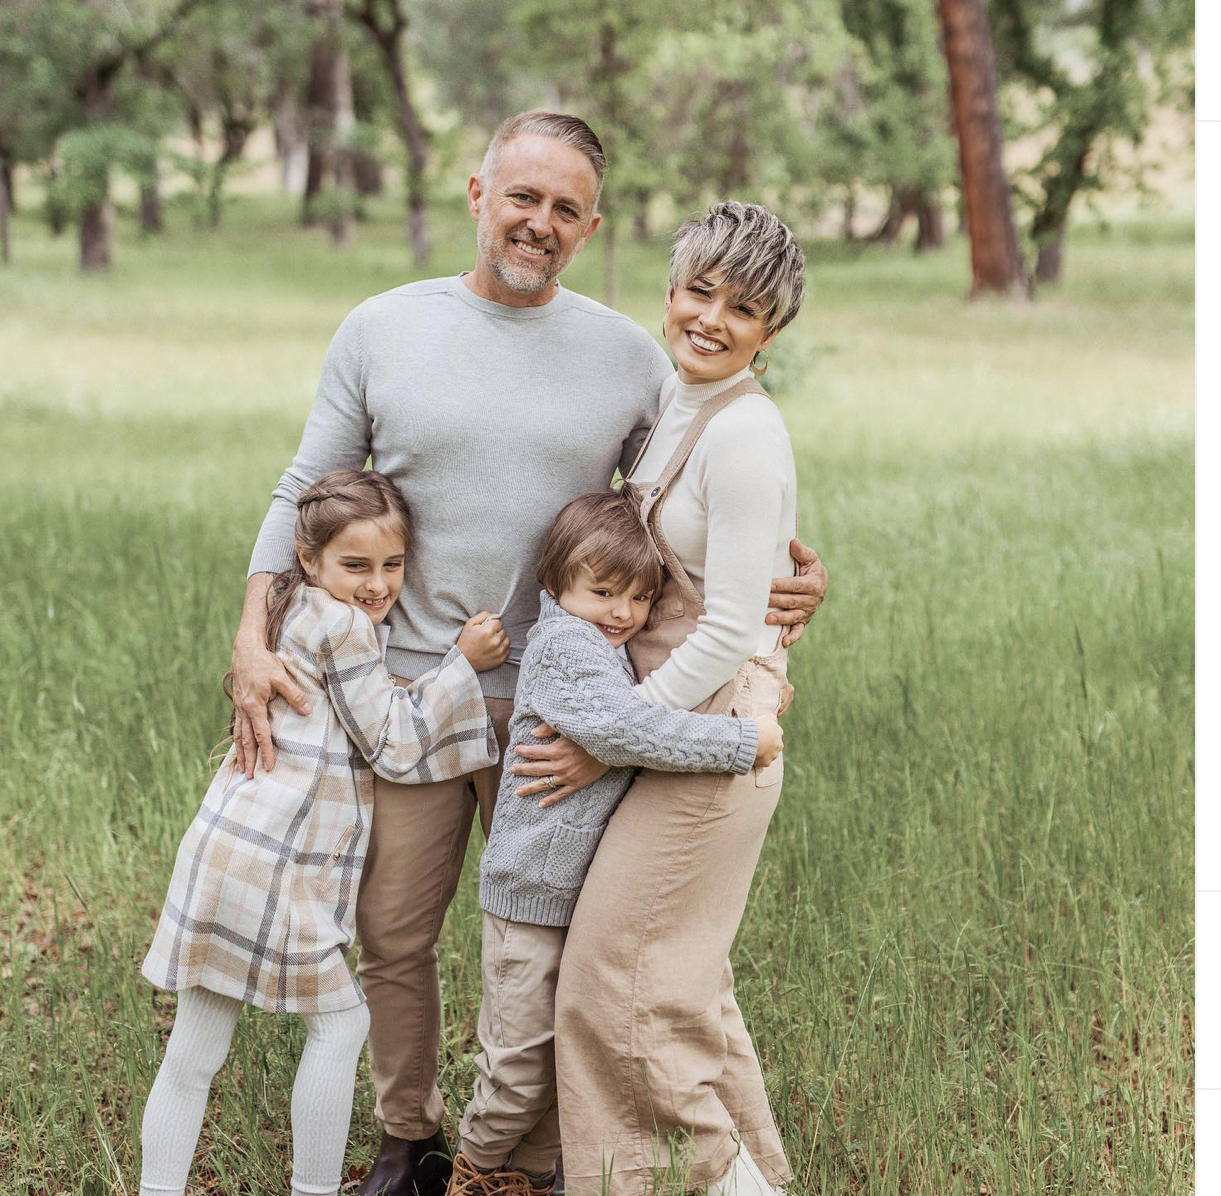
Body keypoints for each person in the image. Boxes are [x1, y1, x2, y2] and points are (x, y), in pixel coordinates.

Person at [223, 111, 828, 1196]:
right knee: (395, 937)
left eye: (564, 209)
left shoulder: (633, 356)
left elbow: (705, 506)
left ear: (590, 226)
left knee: (574, 945)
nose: (538, 223)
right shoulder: (381, 327)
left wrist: (793, 590)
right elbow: (302, 489)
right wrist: (249, 635)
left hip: (572, 706)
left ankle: (548, 1151)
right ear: (477, 192)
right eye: (522, 197)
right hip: (406, 696)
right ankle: (410, 1137)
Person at [139, 470, 507, 1196]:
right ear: (309, 559)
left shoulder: (291, 607)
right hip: (280, 863)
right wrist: (463, 665)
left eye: (392, 566)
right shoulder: (345, 628)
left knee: (195, 1050)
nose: (377, 585)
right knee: (340, 1028)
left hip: (228, 846)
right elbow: (394, 742)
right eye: (356, 566)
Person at [551, 202, 805, 1195]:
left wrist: (615, 735)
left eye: (741, 308)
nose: (710, 317)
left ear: (769, 334)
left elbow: (734, 623)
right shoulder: (679, 400)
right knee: (685, 988)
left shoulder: (745, 434)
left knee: (613, 988)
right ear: (671, 289)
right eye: (699, 290)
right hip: (676, 724)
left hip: (711, 733)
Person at [447, 486, 784, 1196]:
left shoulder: (606, 640)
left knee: (563, 1058)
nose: (622, 614)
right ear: (555, 583)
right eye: (602, 591)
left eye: (637, 598)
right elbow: (622, 729)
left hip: (579, 895)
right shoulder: (567, 645)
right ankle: (474, 1167)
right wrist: (741, 739)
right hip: (532, 898)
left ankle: (530, 1176)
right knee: (517, 1065)